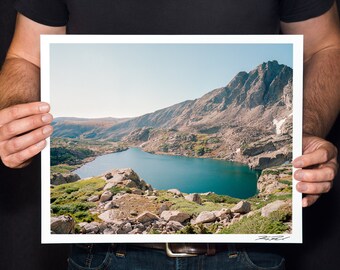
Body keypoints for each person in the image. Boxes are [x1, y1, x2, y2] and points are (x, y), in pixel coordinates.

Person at [0, 0, 339, 269]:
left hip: (246, 257)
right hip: (106, 258)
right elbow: (27, 56)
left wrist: (302, 132)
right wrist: (14, 114)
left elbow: (324, 46)